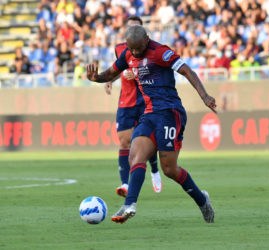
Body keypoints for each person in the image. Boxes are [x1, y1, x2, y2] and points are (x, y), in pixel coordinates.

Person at [86, 25, 216, 223]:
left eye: (139, 48)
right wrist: (96, 78)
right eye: (132, 49)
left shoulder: (160, 52)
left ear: (147, 39)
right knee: (135, 155)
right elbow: (111, 72)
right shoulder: (128, 54)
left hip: (170, 113)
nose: (136, 53)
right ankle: (129, 205)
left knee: (169, 169)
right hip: (149, 113)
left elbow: (187, 70)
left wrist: (205, 96)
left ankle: (202, 200)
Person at [104, 16, 162, 196]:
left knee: (147, 140)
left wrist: (137, 74)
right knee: (124, 141)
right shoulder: (120, 48)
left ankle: (154, 170)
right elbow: (119, 67)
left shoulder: (151, 49)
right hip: (127, 100)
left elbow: (155, 71)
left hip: (145, 100)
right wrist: (110, 80)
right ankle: (125, 184)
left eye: (136, 28)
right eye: (130, 28)